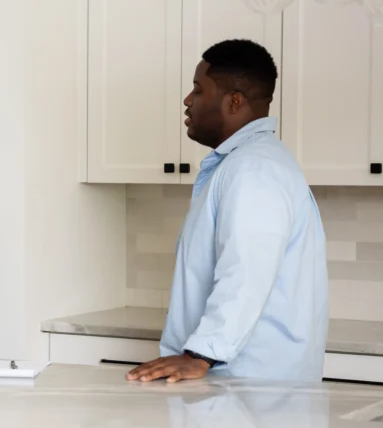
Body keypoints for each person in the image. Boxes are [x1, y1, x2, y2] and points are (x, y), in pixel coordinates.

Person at [127, 39, 328, 384]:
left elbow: (247, 270)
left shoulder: (254, 170)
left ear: (234, 101)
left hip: (249, 388)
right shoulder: (247, 164)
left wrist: (201, 354)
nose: (188, 101)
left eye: (197, 90)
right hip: (243, 386)